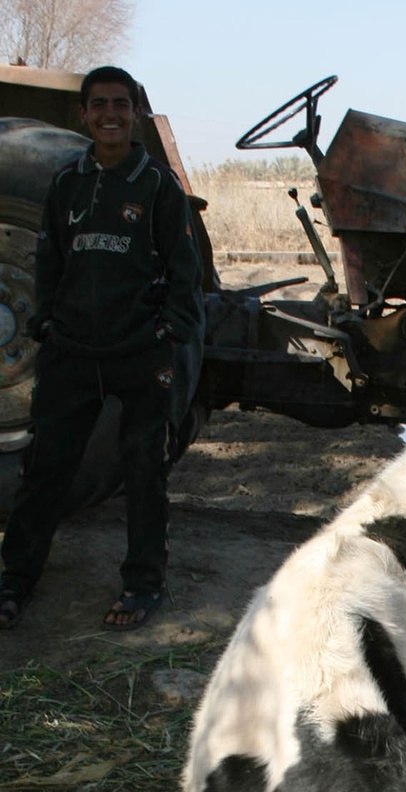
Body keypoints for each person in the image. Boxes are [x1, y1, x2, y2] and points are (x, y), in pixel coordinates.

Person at [0, 65, 204, 632]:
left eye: (121, 104)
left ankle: (143, 584)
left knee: (144, 470)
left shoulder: (158, 186)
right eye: (99, 106)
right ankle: (15, 579)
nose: (110, 115)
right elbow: (48, 260)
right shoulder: (67, 182)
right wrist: (44, 322)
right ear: (83, 115)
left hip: (138, 351)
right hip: (71, 351)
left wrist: (169, 336)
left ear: (136, 112)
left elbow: (185, 274)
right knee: (44, 469)